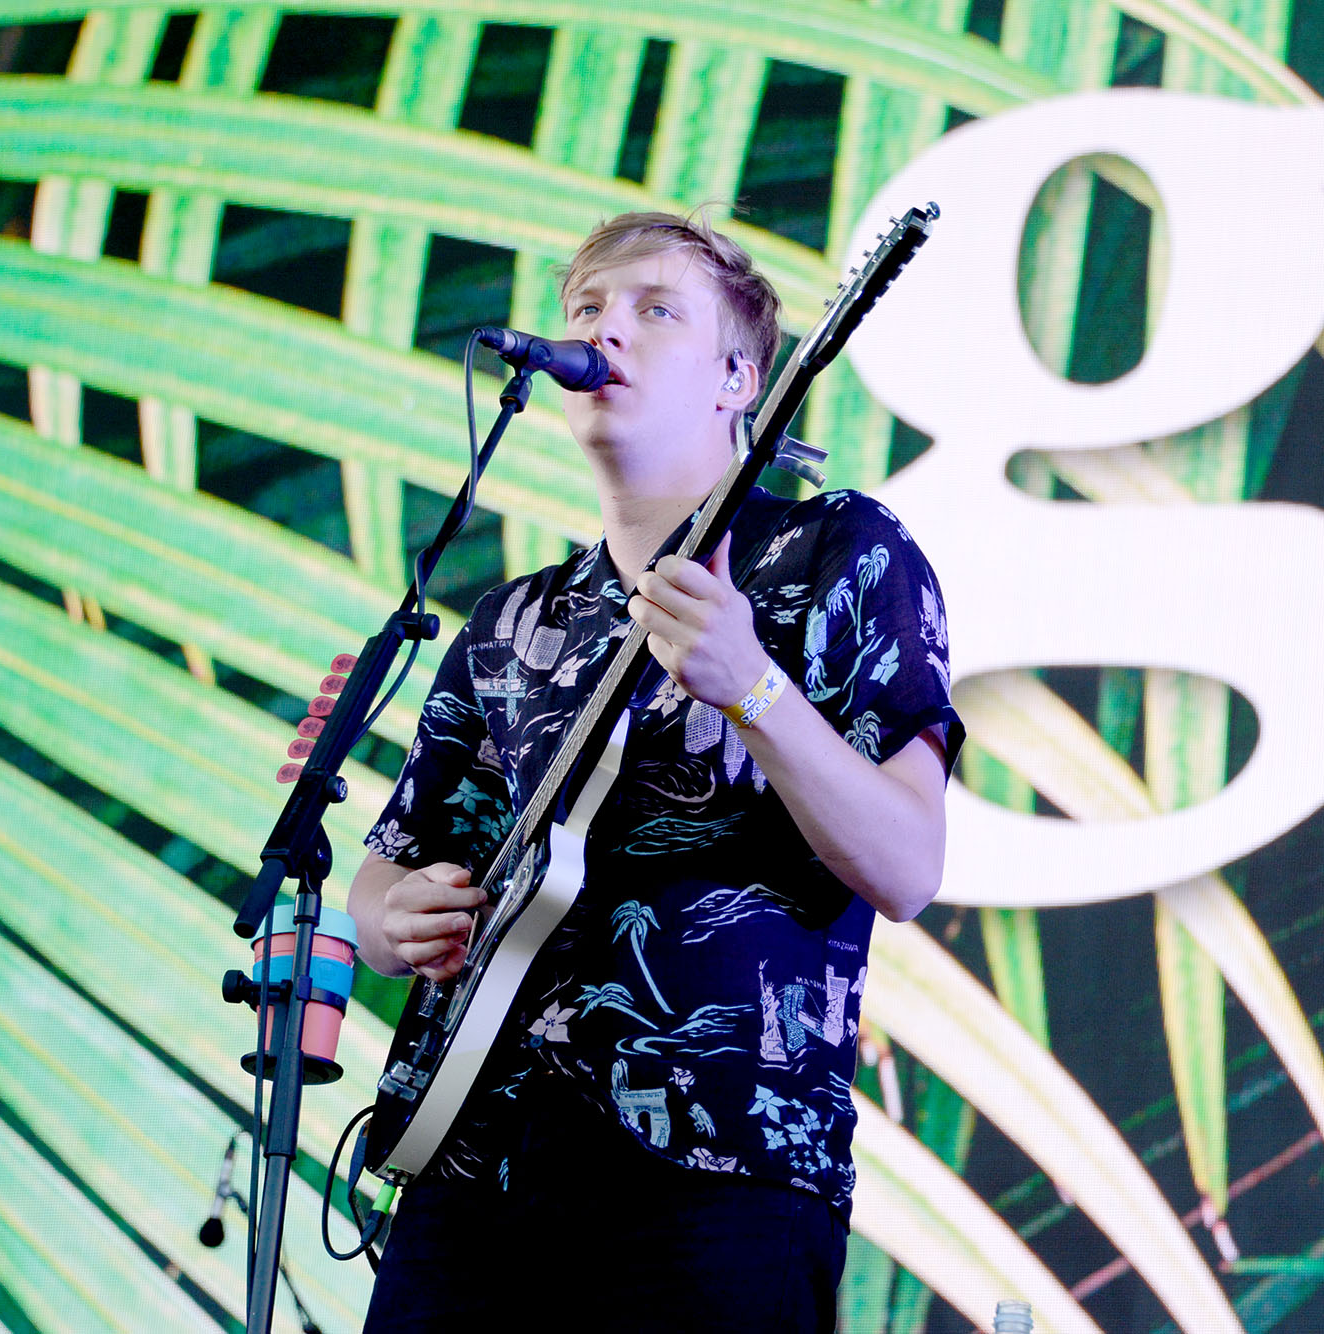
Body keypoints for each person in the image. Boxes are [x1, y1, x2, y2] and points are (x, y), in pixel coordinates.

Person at [348, 210, 962, 1332]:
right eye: (586, 307)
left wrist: (751, 685)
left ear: (739, 378)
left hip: (720, 1166)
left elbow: (907, 864)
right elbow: (386, 876)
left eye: (654, 309)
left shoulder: (837, 550)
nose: (604, 330)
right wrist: (400, 918)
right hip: (473, 1161)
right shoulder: (512, 622)